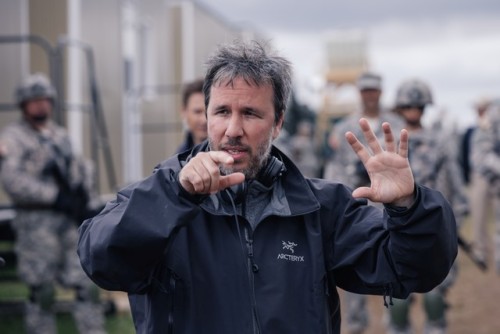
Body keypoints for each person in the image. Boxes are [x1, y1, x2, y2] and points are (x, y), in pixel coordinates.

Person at [78, 40, 457, 334]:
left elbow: (412, 269)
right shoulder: (161, 196)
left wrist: (409, 206)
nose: (233, 130)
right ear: (205, 116)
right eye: (222, 112)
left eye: (251, 114)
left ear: (278, 124)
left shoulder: (319, 208)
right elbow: (102, 260)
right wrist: (173, 196)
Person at [0, 73, 106, 334]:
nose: (41, 106)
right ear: (24, 105)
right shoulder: (14, 138)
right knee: (42, 290)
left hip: (69, 220)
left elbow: (80, 168)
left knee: (86, 283)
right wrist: (53, 196)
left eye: (45, 100)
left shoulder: (60, 135)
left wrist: (86, 199)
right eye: (34, 101)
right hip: (37, 223)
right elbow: (12, 180)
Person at [323, 71, 405, 334]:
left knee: (394, 266)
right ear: (360, 93)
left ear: (380, 92)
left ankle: (395, 325)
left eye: (374, 90)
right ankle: (357, 326)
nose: (370, 95)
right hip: (356, 208)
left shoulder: (394, 123)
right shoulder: (344, 126)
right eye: (365, 90)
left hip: (391, 209)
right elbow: (335, 167)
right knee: (354, 267)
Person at [387, 79, 468, 334]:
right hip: (398, 231)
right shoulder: (389, 141)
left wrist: (453, 224)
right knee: (398, 304)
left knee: (434, 298)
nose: (413, 109)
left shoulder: (440, 141)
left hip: (433, 231)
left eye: (418, 104)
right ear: (400, 107)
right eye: (408, 104)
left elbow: (455, 185)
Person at [471, 99, 500, 273]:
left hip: (496, 179)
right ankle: (480, 251)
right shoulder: (479, 128)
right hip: (481, 176)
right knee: (479, 216)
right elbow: (480, 155)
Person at [176, 78, 207, 153]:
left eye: (208, 112)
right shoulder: (179, 158)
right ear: (184, 112)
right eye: (197, 112)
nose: (204, 120)